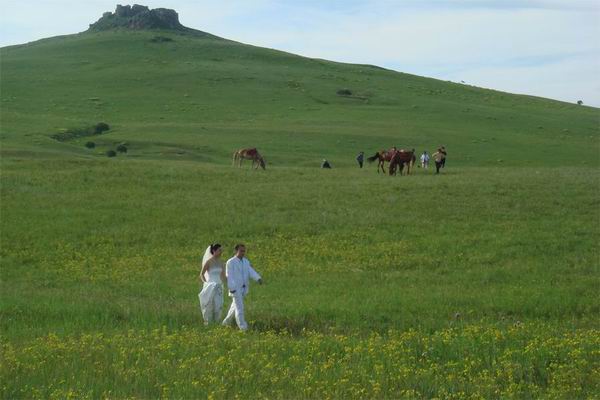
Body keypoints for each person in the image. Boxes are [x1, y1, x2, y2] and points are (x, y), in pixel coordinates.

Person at [222, 244, 263, 331]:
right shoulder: (231, 262)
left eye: (244, 251)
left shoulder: (246, 261)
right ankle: (243, 328)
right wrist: (232, 288)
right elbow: (229, 276)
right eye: (241, 251)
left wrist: (258, 278)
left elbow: (250, 271)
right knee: (240, 308)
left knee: (234, 307)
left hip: (243, 288)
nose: (243, 253)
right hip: (235, 289)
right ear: (236, 251)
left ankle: (225, 323)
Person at [199, 243, 226, 324]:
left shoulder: (221, 262)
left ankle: (217, 322)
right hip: (210, 286)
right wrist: (206, 283)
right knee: (209, 305)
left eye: (221, 250)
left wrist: (225, 282)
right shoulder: (209, 262)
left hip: (218, 286)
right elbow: (201, 274)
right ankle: (208, 322)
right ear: (214, 251)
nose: (221, 252)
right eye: (219, 250)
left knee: (218, 305)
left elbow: (223, 275)